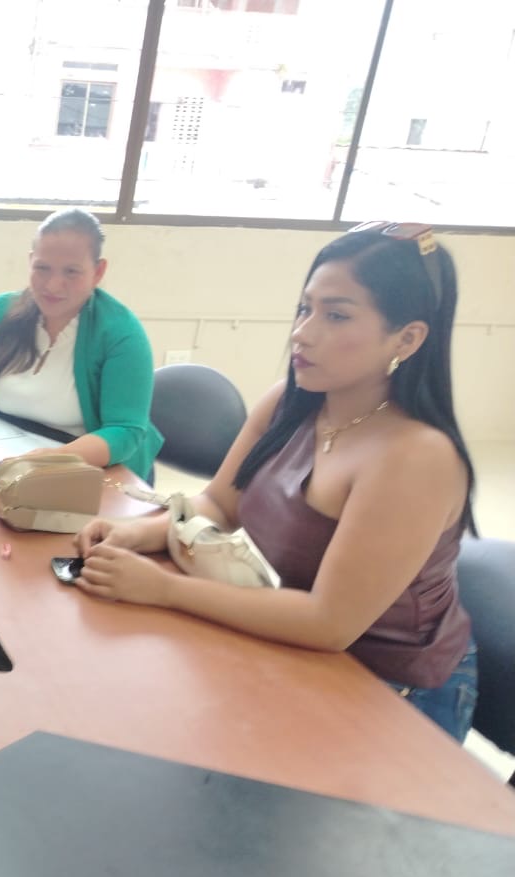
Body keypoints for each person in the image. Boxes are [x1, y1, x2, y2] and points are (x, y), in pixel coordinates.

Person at [72, 223, 478, 742]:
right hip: (281, 639)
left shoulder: (416, 457)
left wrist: (164, 588)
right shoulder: (291, 401)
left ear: (408, 338)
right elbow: (219, 504)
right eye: (305, 308)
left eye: (336, 315)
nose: (302, 333)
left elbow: (329, 623)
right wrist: (137, 533)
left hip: (386, 688)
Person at [0, 208, 162, 479]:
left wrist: (55, 459)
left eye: (71, 272)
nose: (53, 285)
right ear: (31, 261)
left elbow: (125, 430)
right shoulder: (2, 311)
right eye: (42, 268)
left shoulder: (120, 333)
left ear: (98, 272)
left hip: (82, 471)